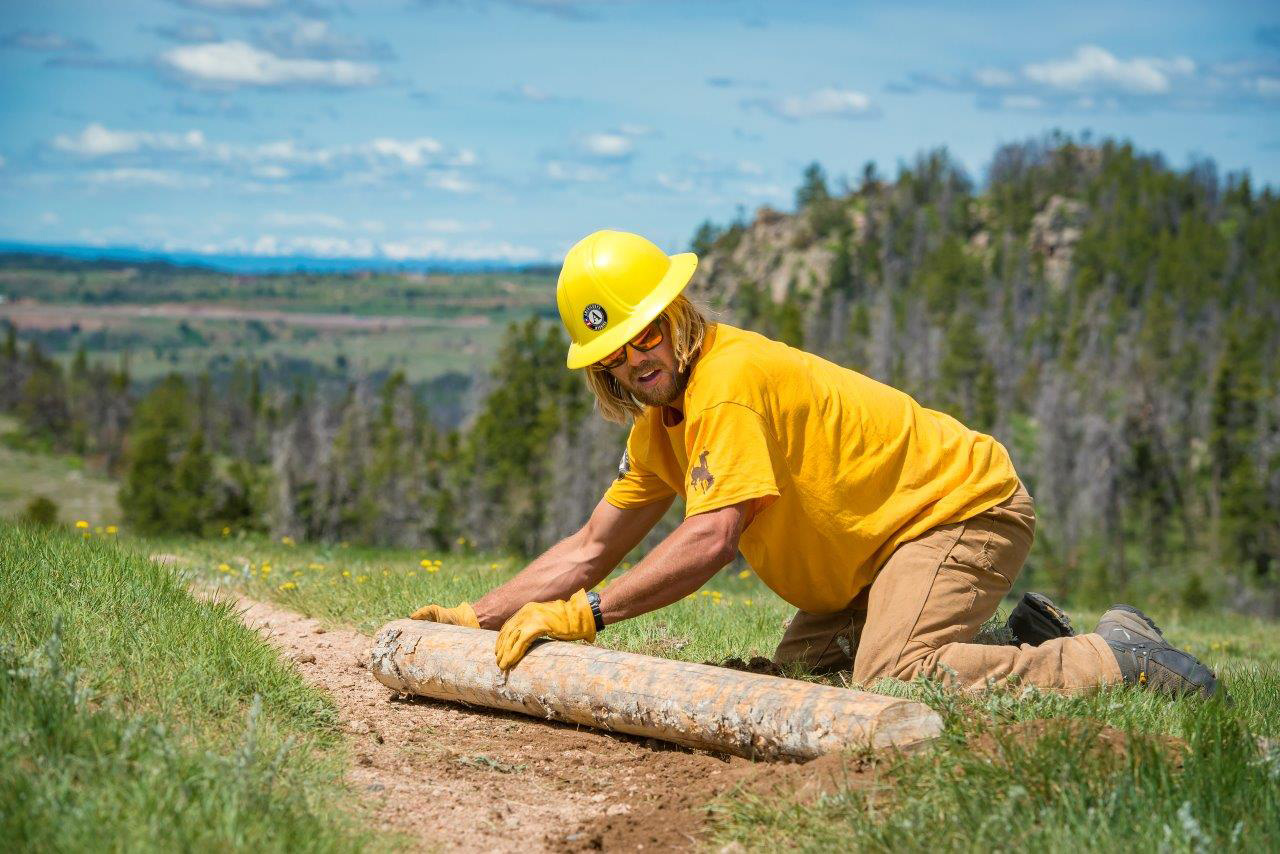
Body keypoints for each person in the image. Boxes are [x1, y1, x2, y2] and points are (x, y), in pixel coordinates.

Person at [410, 229, 1219, 699]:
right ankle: (1017, 639)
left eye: (648, 333)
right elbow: (591, 545)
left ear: (677, 314)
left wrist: (587, 615)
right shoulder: (665, 421)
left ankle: (1121, 658)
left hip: (956, 511)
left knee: (894, 677)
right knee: (803, 676)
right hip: (875, 552)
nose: (637, 358)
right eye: (616, 352)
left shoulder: (725, 385)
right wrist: (474, 617)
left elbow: (711, 539)